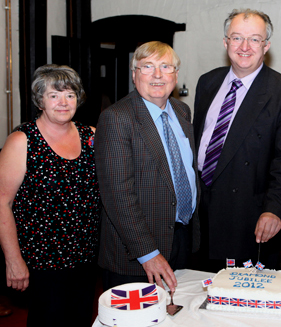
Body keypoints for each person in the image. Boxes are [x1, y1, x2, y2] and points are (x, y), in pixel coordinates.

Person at [193, 9, 281, 271]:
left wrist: (274, 210)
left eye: (254, 39)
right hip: (201, 217)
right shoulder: (207, 82)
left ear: (266, 46)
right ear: (225, 42)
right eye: (237, 38)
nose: (244, 47)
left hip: (250, 220)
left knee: (244, 304)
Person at [0, 64, 100, 326]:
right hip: (42, 262)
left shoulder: (91, 136)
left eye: (70, 94)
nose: (63, 102)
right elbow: (2, 203)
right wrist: (13, 260)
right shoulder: (23, 141)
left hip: (85, 258)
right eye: (54, 95)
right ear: (40, 100)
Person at [95, 41, 199, 292]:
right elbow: (118, 196)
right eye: (147, 67)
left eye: (166, 66)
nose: (157, 75)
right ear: (134, 75)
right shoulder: (117, 118)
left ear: (175, 74)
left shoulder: (182, 111)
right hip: (137, 252)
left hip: (182, 239)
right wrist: (147, 253)